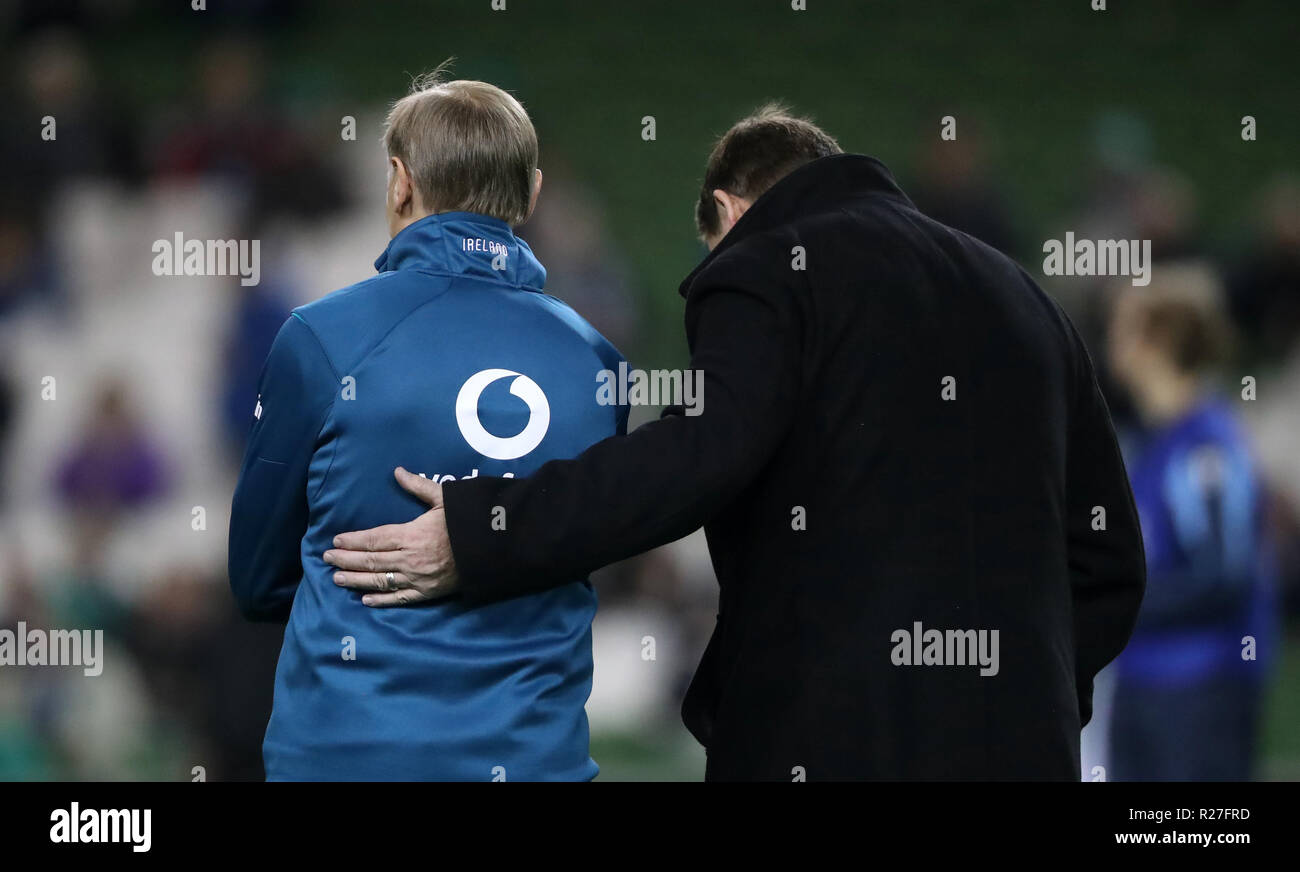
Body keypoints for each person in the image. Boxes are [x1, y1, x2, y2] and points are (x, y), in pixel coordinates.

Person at [327, 105, 1147, 780]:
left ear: (726, 212)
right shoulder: (1026, 298)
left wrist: (484, 528)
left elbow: (698, 456)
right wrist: (1024, 694)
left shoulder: (766, 266)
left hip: (830, 745)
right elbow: (1108, 558)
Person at [228, 75, 626, 781]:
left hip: (346, 758)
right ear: (532, 194)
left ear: (400, 183)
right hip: (535, 759)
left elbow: (257, 579)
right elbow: (594, 549)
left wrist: (369, 587)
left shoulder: (322, 338)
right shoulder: (599, 363)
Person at [1105, 263, 1278, 780]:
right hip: (1146, 678)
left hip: (1199, 683)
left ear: (1156, 338)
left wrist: (1117, 605)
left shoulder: (1206, 448)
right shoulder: (1155, 442)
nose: (1110, 339)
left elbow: (1223, 577)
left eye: (1122, 325)